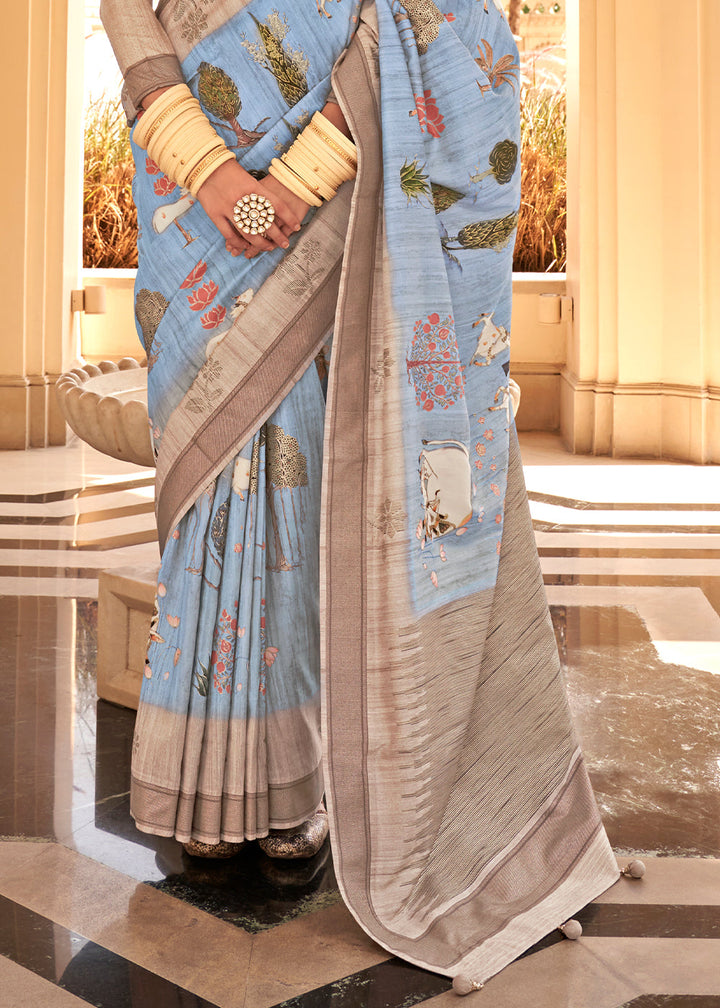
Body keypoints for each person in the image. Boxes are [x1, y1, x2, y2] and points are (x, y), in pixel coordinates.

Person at [100, 0, 621, 990]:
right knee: (212, 489)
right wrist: (215, 178)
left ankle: (291, 789)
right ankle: (210, 787)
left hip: (337, 211)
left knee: (305, 494)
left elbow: (439, 20)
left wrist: (296, 179)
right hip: (191, 219)